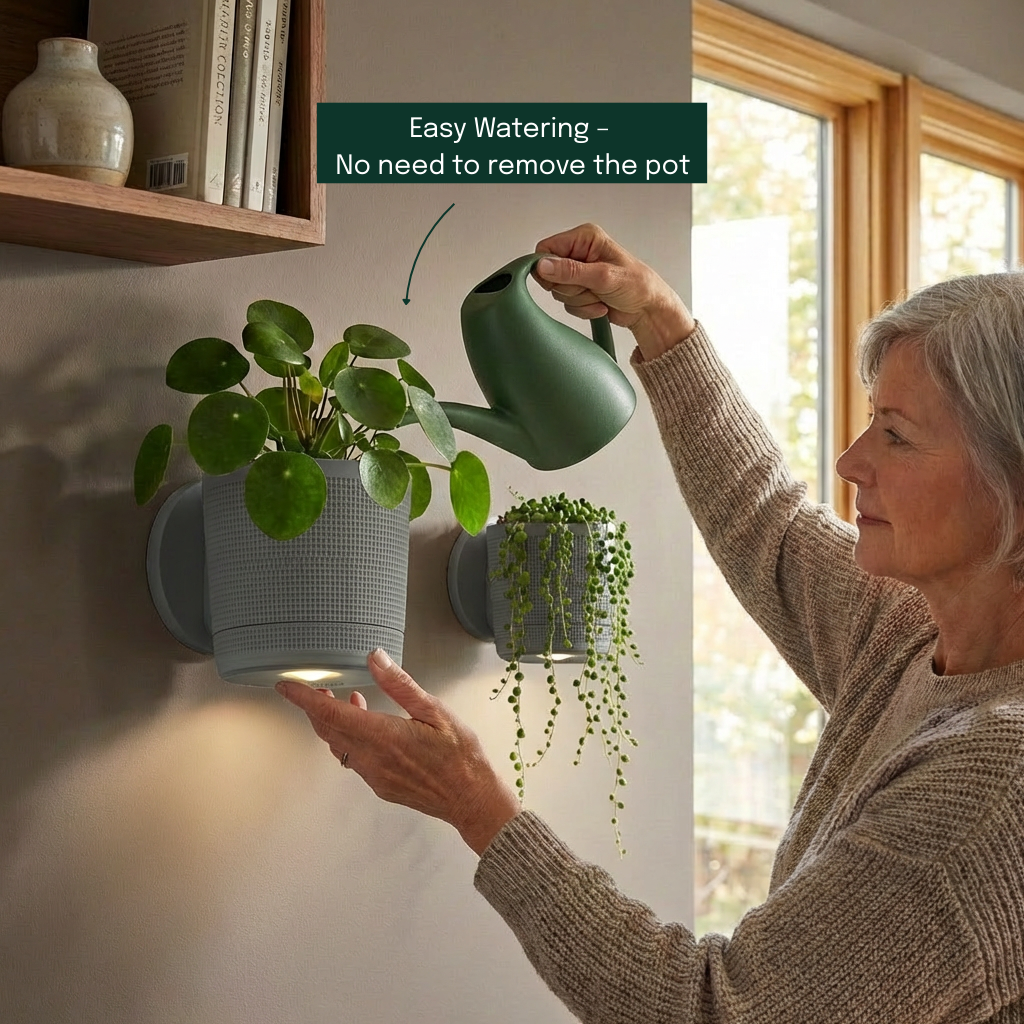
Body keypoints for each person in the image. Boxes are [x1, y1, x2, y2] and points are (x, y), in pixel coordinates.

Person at [276, 223, 1024, 1023]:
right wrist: (659, 320)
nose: (851, 460)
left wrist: (473, 803)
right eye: (872, 419)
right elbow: (763, 516)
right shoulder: (913, 633)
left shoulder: (999, 790)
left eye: (898, 436)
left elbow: (712, 1011)